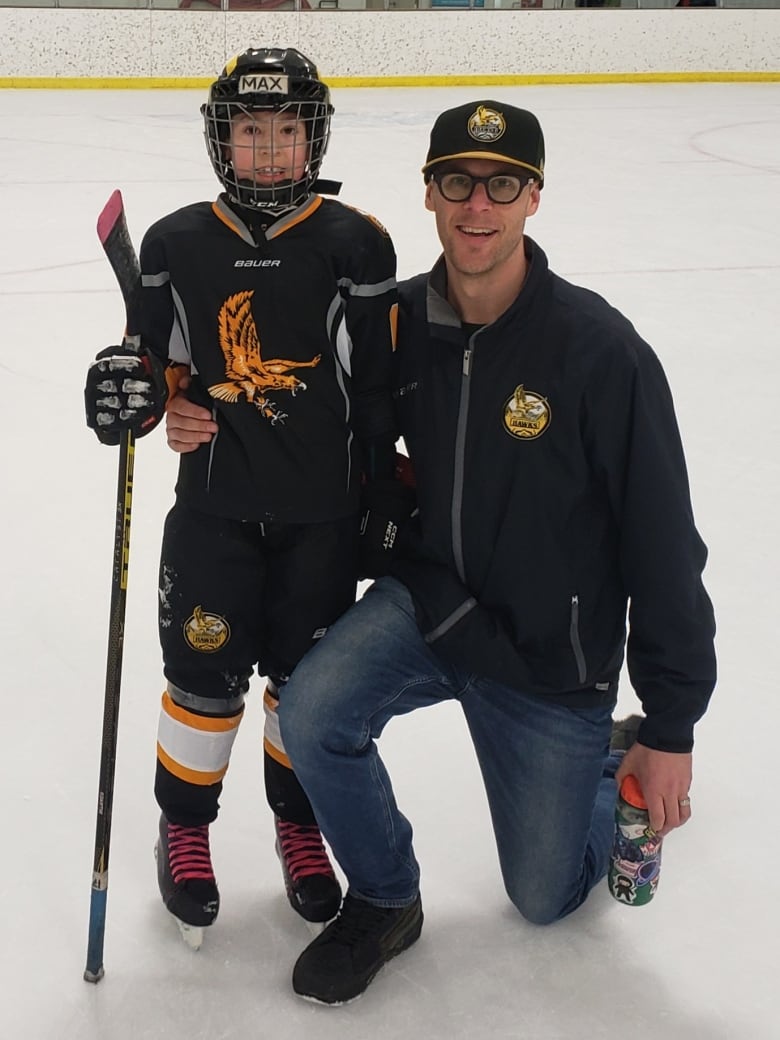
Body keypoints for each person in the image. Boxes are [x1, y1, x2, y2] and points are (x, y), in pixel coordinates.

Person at [166, 99, 717, 1003]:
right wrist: (179, 398)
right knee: (311, 711)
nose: (478, 205)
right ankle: (385, 898)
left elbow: (664, 546)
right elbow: (292, 396)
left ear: (534, 197)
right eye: (458, 181)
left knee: (545, 897)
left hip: (548, 658)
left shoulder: (599, 352)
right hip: (433, 604)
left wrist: (670, 727)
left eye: (503, 184)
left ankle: (607, 763)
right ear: (428, 192)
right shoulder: (397, 327)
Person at [83, 47, 403, 944]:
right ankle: (184, 829)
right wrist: (142, 397)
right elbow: (154, 368)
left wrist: (383, 492)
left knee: (303, 685)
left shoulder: (357, 241)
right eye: (252, 132)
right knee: (203, 675)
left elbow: (375, 388)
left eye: (288, 133)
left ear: (314, 137)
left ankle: (299, 824)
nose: (269, 153)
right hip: (216, 512)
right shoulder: (177, 243)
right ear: (224, 139)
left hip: (324, 518)